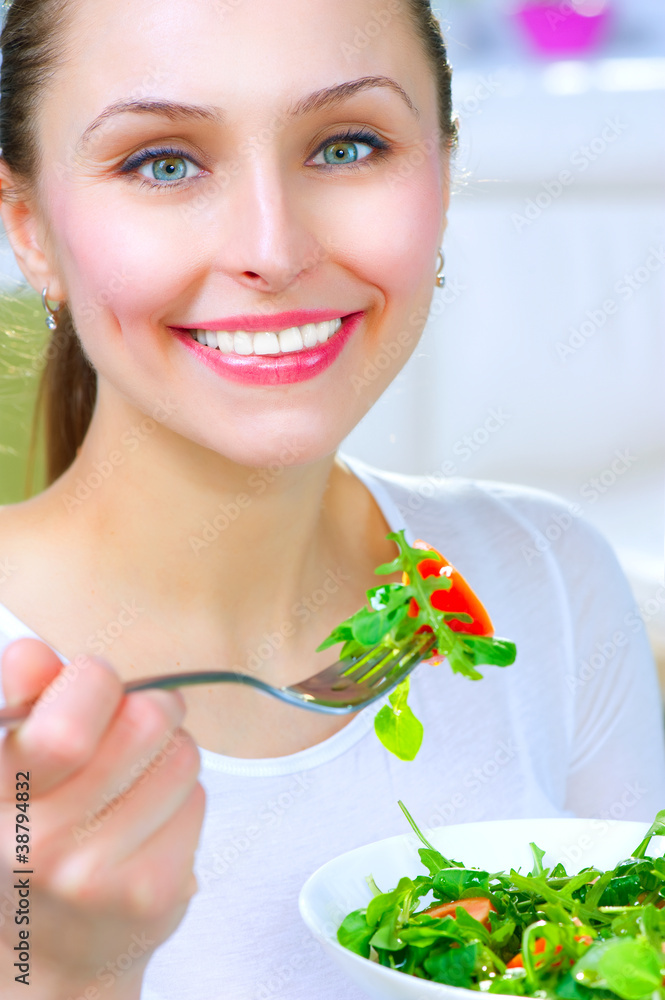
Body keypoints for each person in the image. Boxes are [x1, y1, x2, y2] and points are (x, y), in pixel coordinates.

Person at [0, 0, 662, 997]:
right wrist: (44, 969)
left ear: (441, 174)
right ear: (30, 229)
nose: (273, 247)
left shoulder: (549, 584)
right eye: (163, 162)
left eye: (346, 145)